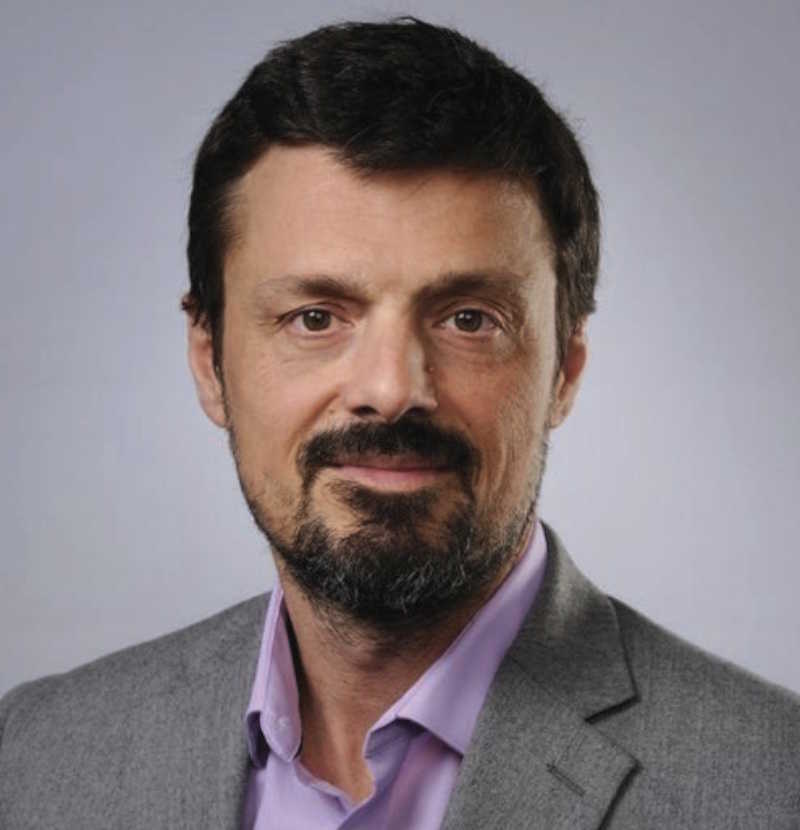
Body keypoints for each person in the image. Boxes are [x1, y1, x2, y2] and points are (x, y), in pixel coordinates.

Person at [1, 16, 798, 830]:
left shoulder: (773, 787)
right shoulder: (33, 758)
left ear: (564, 370)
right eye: (316, 318)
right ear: (210, 362)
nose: (390, 391)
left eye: (469, 320)